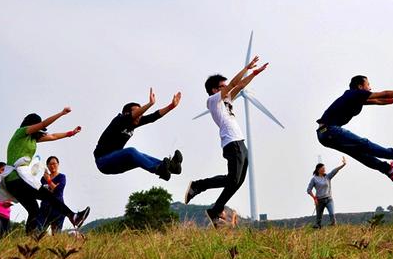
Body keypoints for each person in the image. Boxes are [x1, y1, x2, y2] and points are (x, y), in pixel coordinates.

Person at [184, 55, 268, 228]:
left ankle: (215, 208)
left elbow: (240, 85)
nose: (227, 88)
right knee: (233, 179)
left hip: (240, 142)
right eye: (223, 86)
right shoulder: (213, 101)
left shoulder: (227, 99)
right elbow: (234, 84)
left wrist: (255, 74)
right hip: (231, 142)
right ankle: (200, 188)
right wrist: (246, 68)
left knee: (237, 181)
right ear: (215, 90)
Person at [316, 75, 393, 181]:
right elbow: (384, 94)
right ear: (360, 86)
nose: (370, 88)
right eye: (368, 84)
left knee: (358, 153)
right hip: (329, 130)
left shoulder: (356, 98)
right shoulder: (355, 93)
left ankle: (389, 170)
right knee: (363, 143)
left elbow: (379, 101)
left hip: (324, 135)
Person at [5, 108, 90, 234]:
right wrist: (61, 113)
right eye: (37, 126)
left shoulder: (33, 139)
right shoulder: (21, 133)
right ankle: (73, 216)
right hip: (16, 179)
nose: (40, 130)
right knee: (48, 195)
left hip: (17, 181)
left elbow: (53, 136)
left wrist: (70, 133)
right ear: (31, 124)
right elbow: (44, 124)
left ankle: (30, 239)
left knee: (34, 209)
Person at [93, 89, 183, 180]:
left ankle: (171, 167)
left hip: (116, 164)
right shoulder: (119, 120)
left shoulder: (135, 122)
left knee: (140, 156)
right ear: (127, 113)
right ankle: (158, 169)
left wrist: (171, 106)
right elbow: (134, 115)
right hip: (103, 161)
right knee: (131, 151)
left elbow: (153, 117)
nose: (139, 117)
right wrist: (150, 104)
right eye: (138, 113)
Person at [307, 157, 347, 228]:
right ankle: (318, 228)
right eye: (323, 168)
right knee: (318, 219)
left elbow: (335, 170)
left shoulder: (328, 177)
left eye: (324, 168)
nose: (324, 169)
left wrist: (343, 164)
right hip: (319, 201)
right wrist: (314, 198)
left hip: (329, 199)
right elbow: (309, 190)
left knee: (332, 214)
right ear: (318, 170)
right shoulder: (314, 179)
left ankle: (333, 227)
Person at [36, 156, 67, 234]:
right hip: (44, 209)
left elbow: (58, 190)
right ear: (47, 166)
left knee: (56, 234)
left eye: (54, 163)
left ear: (58, 164)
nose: (52, 166)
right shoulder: (43, 179)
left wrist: (49, 181)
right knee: (38, 231)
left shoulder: (61, 177)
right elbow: (41, 192)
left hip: (58, 209)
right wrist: (52, 186)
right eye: (50, 164)